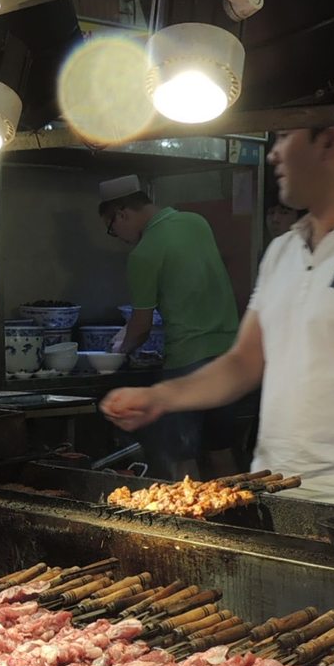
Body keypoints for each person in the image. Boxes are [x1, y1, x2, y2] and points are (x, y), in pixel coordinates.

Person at [100, 124, 334, 509]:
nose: (272, 153)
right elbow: (243, 363)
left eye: (284, 137)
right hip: (270, 500)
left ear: (329, 140)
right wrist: (160, 397)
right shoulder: (283, 251)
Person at [98, 176, 243, 478]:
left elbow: (141, 327)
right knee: (221, 451)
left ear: (122, 213)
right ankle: (236, 519)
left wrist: (114, 354)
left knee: (182, 459)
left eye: (112, 229)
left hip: (187, 361)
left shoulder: (143, 253)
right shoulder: (196, 222)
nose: (119, 236)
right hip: (228, 359)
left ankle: (187, 523)